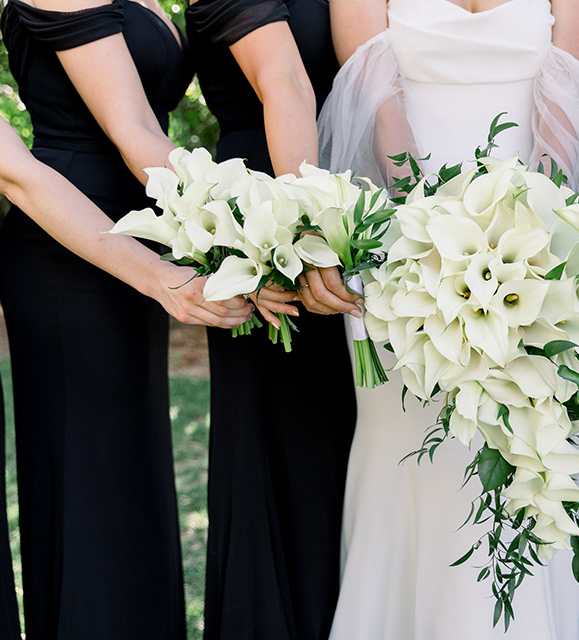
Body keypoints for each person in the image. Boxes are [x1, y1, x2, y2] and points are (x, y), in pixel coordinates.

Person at [317, 1, 579, 638]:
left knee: (531, 444)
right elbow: (376, 92)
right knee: (407, 455)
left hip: (538, 240)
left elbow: (569, 86)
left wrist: (525, 231)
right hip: (401, 244)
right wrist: (430, 237)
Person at [0, 0, 244, 635]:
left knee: (132, 475)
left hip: (138, 233)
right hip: (71, 245)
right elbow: (131, 126)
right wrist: (246, 238)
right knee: (91, 482)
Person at [183, 1, 360, 637]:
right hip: (271, 215)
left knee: (343, 452)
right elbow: (282, 79)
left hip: (343, 212)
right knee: (280, 451)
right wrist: (304, 228)